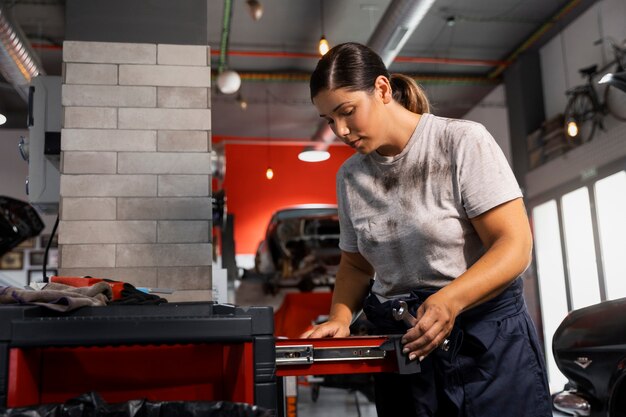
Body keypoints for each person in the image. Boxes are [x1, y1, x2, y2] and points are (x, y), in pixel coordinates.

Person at [301, 42, 552, 417]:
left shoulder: (460, 142)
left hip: (486, 346)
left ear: (382, 89)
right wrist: (339, 318)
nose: (340, 130)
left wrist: (450, 299)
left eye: (347, 112)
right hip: (406, 350)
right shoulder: (350, 176)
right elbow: (356, 266)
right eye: (328, 120)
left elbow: (514, 246)